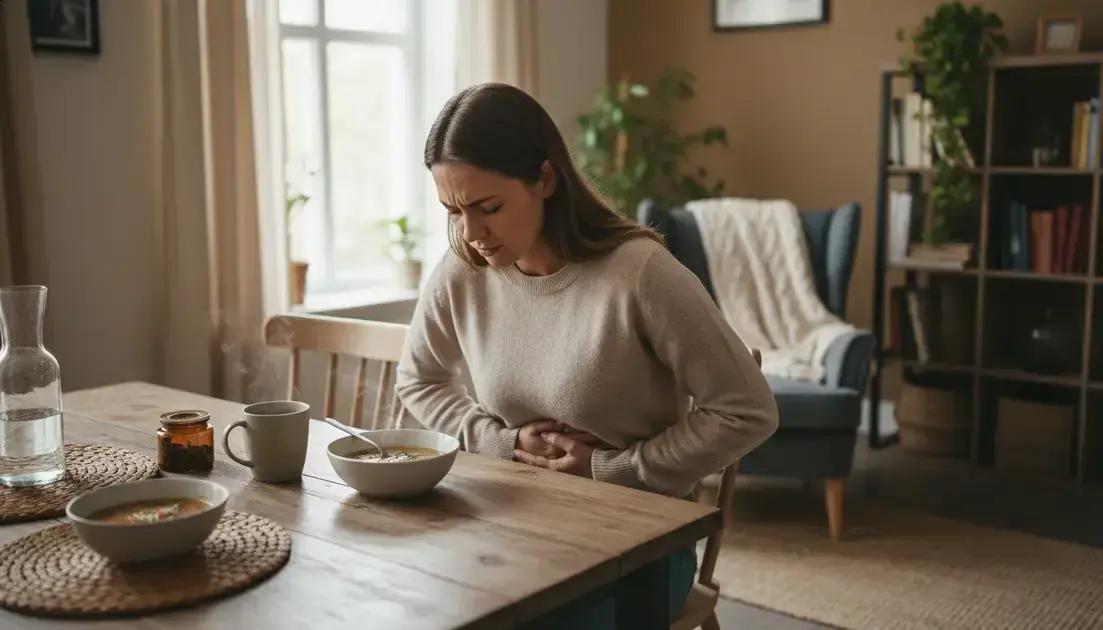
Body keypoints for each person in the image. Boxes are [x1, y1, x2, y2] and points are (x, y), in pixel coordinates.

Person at [395, 82, 779, 628]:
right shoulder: (464, 267)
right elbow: (418, 380)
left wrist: (614, 469)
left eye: (489, 207)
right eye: (453, 210)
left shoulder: (640, 274)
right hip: (510, 523)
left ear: (546, 179)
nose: (471, 232)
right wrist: (498, 441)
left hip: (639, 542)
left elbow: (748, 410)